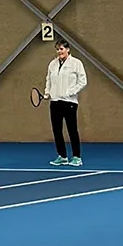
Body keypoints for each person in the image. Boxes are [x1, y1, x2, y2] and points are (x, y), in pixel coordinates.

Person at [35, 40, 88, 168]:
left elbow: (83, 81)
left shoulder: (76, 63)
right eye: (57, 49)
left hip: (70, 102)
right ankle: (62, 156)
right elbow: (48, 80)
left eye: (61, 49)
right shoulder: (52, 64)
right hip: (55, 102)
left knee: (72, 130)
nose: (59, 51)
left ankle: (76, 157)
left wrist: (71, 92)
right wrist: (47, 93)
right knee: (57, 130)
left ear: (68, 49)